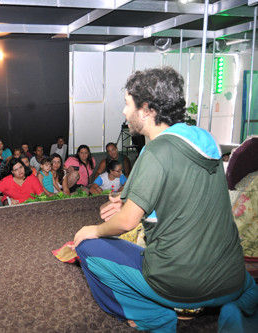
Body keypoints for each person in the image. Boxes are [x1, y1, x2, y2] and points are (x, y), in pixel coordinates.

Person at [72, 67, 258, 332]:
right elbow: (181, 193)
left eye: (127, 105)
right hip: (232, 277)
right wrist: (126, 201)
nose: (124, 112)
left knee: (87, 247)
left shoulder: (155, 152)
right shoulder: (206, 139)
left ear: (147, 110)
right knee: (245, 288)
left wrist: (94, 230)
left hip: (180, 284)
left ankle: (153, 317)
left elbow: (126, 223)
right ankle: (236, 309)